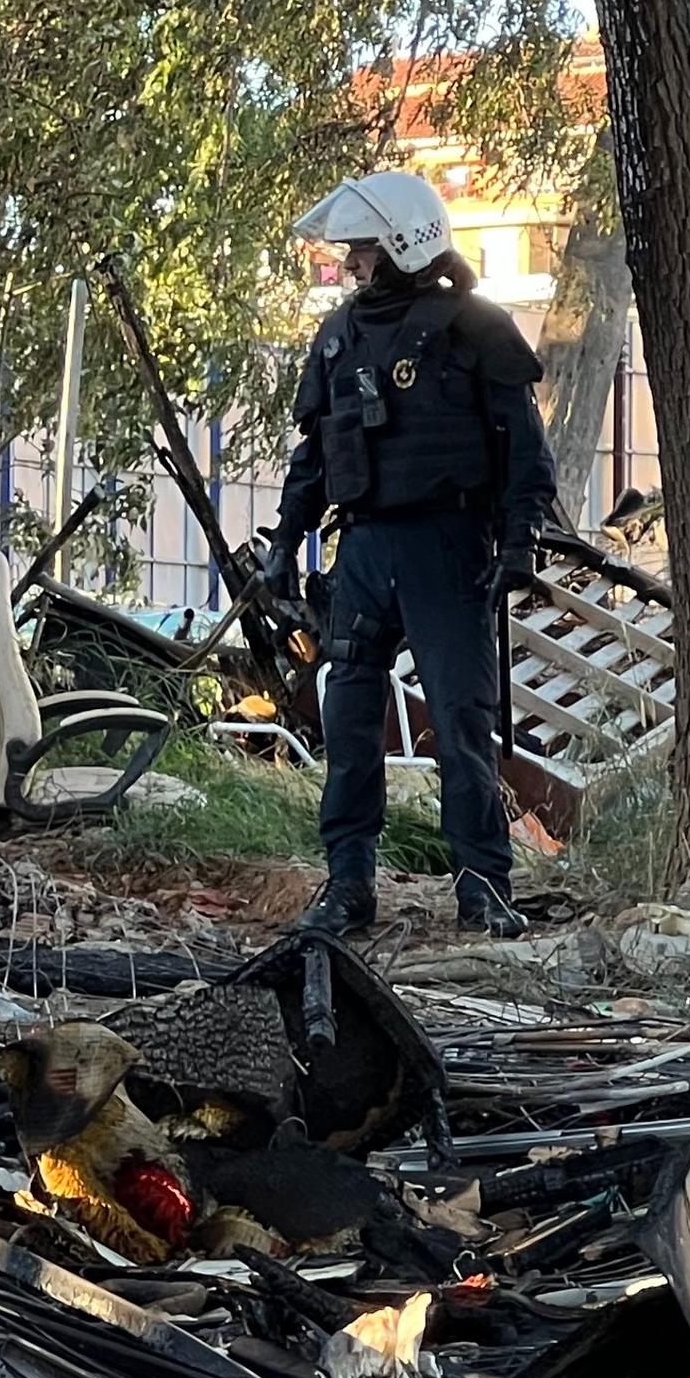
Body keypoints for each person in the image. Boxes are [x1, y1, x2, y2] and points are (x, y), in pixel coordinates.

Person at [266, 169, 557, 938]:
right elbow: (314, 456)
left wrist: (522, 543)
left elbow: (526, 453)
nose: (353, 265)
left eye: (362, 249)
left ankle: (483, 887)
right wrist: (287, 541)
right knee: (351, 715)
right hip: (363, 548)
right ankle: (349, 883)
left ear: (402, 242)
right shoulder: (337, 337)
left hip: (448, 546)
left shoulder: (476, 328)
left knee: (462, 722)